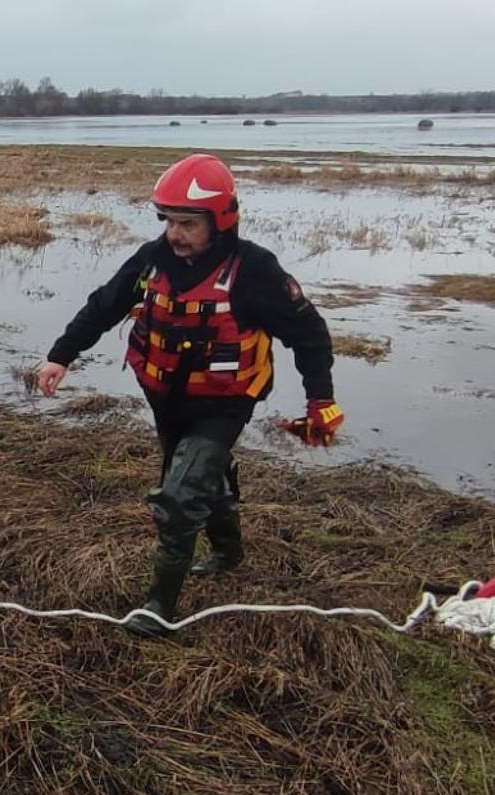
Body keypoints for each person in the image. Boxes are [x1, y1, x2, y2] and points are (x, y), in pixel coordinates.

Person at [32, 154, 343, 636]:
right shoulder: (152, 259)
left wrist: (320, 400)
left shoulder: (255, 271)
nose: (174, 234)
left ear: (220, 222)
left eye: (187, 223)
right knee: (196, 477)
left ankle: (160, 603)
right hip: (166, 396)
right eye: (169, 221)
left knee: (177, 496)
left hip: (224, 402)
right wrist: (61, 355)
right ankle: (227, 550)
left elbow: (310, 335)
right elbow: (106, 304)